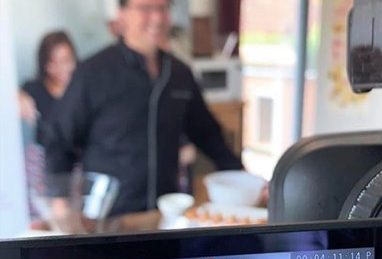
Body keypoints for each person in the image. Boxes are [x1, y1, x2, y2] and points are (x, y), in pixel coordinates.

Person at [44, 0, 243, 219]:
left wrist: (242, 176)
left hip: (164, 214)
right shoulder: (93, 72)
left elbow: (208, 135)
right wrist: (60, 203)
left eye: (163, 8)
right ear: (122, 14)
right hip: (107, 218)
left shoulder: (179, 74)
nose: (157, 18)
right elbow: (59, 139)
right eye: (146, 8)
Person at [19, 31, 78, 144]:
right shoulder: (34, 89)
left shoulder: (83, 88)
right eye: (53, 63)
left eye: (66, 60)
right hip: (44, 152)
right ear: (44, 65)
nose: (61, 68)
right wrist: (19, 97)